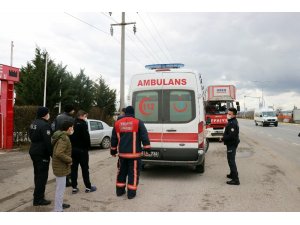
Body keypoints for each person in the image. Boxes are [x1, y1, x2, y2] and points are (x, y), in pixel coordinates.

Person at [110, 106, 151, 199]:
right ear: (133, 113)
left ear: (125, 113)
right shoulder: (138, 122)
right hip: (134, 156)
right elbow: (145, 137)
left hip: (122, 155)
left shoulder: (117, 123)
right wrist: (147, 149)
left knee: (121, 173)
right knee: (133, 174)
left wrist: (113, 151)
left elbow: (114, 139)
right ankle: (131, 194)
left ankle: (120, 192)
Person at [29, 106, 53, 206]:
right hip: (42, 153)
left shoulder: (33, 123)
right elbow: (48, 143)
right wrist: (52, 155)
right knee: (42, 177)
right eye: (48, 113)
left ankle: (37, 195)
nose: (49, 114)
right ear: (45, 114)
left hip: (33, 151)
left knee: (37, 175)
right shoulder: (45, 125)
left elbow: (30, 135)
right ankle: (39, 199)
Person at [69, 110, 97, 194]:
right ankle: (88, 187)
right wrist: (87, 147)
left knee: (73, 169)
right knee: (85, 169)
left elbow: (70, 136)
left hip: (73, 150)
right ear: (81, 116)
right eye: (85, 116)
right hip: (82, 151)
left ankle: (74, 187)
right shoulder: (83, 124)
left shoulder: (72, 123)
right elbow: (86, 137)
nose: (86, 117)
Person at [52, 121, 74, 212]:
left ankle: (59, 204)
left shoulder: (61, 136)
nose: (73, 129)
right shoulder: (64, 138)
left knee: (60, 188)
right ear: (69, 128)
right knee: (60, 189)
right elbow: (59, 153)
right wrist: (69, 160)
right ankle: (58, 209)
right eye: (72, 127)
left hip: (59, 166)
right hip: (60, 166)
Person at [52, 104, 75, 187]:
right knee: (66, 158)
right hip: (66, 138)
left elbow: (53, 126)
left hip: (58, 136)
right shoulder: (71, 119)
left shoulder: (58, 116)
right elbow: (72, 130)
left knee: (60, 158)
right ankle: (66, 179)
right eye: (73, 110)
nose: (74, 111)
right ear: (70, 110)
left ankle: (62, 179)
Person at [221, 107, 240, 185]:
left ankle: (235, 180)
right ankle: (232, 174)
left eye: (229, 114)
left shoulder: (232, 123)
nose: (227, 115)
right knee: (230, 160)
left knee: (231, 161)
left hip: (232, 144)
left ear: (234, 115)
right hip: (231, 143)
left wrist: (222, 138)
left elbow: (231, 136)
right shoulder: (231, 121)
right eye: (227, 113)